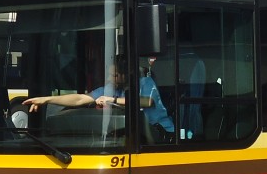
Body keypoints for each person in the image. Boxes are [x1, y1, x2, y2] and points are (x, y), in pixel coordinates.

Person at [22, 60, 175, 140]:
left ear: (128, 74)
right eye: (109, 74)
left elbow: (147, 102)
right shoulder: (110, 88)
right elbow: (80, 98)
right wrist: (47, 99)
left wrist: (112, 99)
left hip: (161, 136)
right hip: (133, 136)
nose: (110, 79)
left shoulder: (145, 82)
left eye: (114, 75)